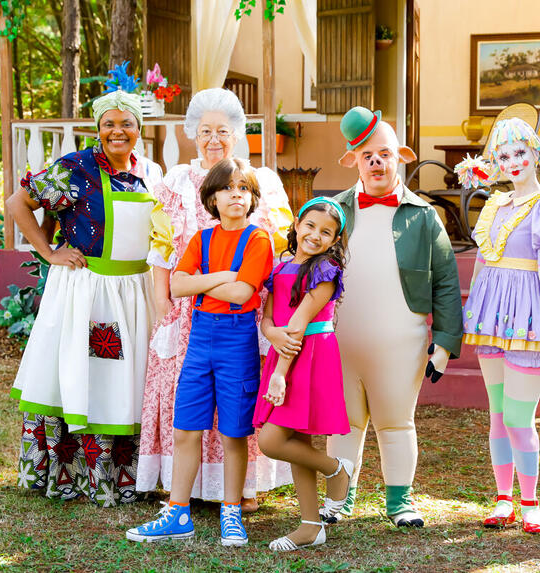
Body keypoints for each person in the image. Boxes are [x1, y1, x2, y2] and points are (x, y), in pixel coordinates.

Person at [9, 90, 171, 506]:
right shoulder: (75, 168)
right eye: (109, 124)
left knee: (130, 380)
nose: (118, 132)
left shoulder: (151, 171)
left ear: (140, 129)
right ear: (98, 129)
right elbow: (18, 203)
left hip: (135, 291)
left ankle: (134, 474)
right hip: (89, 290)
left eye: (127, 124)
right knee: (90, 377)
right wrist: (49, 252)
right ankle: (80, 473)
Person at [137, 88, 293, 512]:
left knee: (235, 409)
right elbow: (161, 253)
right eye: (204, 131)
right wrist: (163, 307)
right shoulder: (176, 182)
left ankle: (240, 492)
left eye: (222, 131)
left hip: (245, 315)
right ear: (192, 133)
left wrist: (202, 282)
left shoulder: (258, 183)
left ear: (237, 134)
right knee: (188, 409)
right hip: (186, 316)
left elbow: (273, 264)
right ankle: (181, 493)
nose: (213, 140)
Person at [326, 107, 463, 527]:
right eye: (366, 154)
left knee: (396, 421)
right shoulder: (333, 211)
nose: (376, 162)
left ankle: (400, 501)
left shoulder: (423, 215)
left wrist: (444, 342)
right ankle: (338, 498)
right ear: (353, 161)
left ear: (400, 157)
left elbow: (445, 282)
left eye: (383, 153)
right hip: (342, 339)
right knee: (344, 423)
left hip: (401, 341)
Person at [126, 157, 273, 546]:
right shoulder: (202, 238)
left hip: (236, 341)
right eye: (227, 188)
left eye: (243, 188)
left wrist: (201, 282)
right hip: (200, 341)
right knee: (186, 427)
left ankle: (231, 512)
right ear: (211, 197)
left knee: (233, 432)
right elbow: (175, 287)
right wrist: (223, 277)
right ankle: (177, 513)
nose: (236, 194)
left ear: (253, 196)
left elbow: (244, 293)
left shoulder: (259, 240)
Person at [457, 118, 540, 534]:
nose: (513, 161)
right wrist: (470, 308)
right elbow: (483, 260)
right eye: (504, 155)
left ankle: (530, 502)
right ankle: (502, 500)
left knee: (518, 418)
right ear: (495, 161)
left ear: (536, 154)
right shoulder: (494, 204)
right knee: (497, 415)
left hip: (530, 317)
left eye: (520, 152)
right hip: (492, 317)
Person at [253, 197, 352, 552]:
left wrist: (280, 373)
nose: (315, 235)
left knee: (272, 440)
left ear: (334, 240)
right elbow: (269, 319)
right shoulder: (280, 269)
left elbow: (298, 322)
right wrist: (272, 334)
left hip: (308, 356)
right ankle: (311, 525)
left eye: (326, 232)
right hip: (285, 349)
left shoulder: (325, 269)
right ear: (297, 225)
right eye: (310, 226)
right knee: (296, 442)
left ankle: (337, 469)